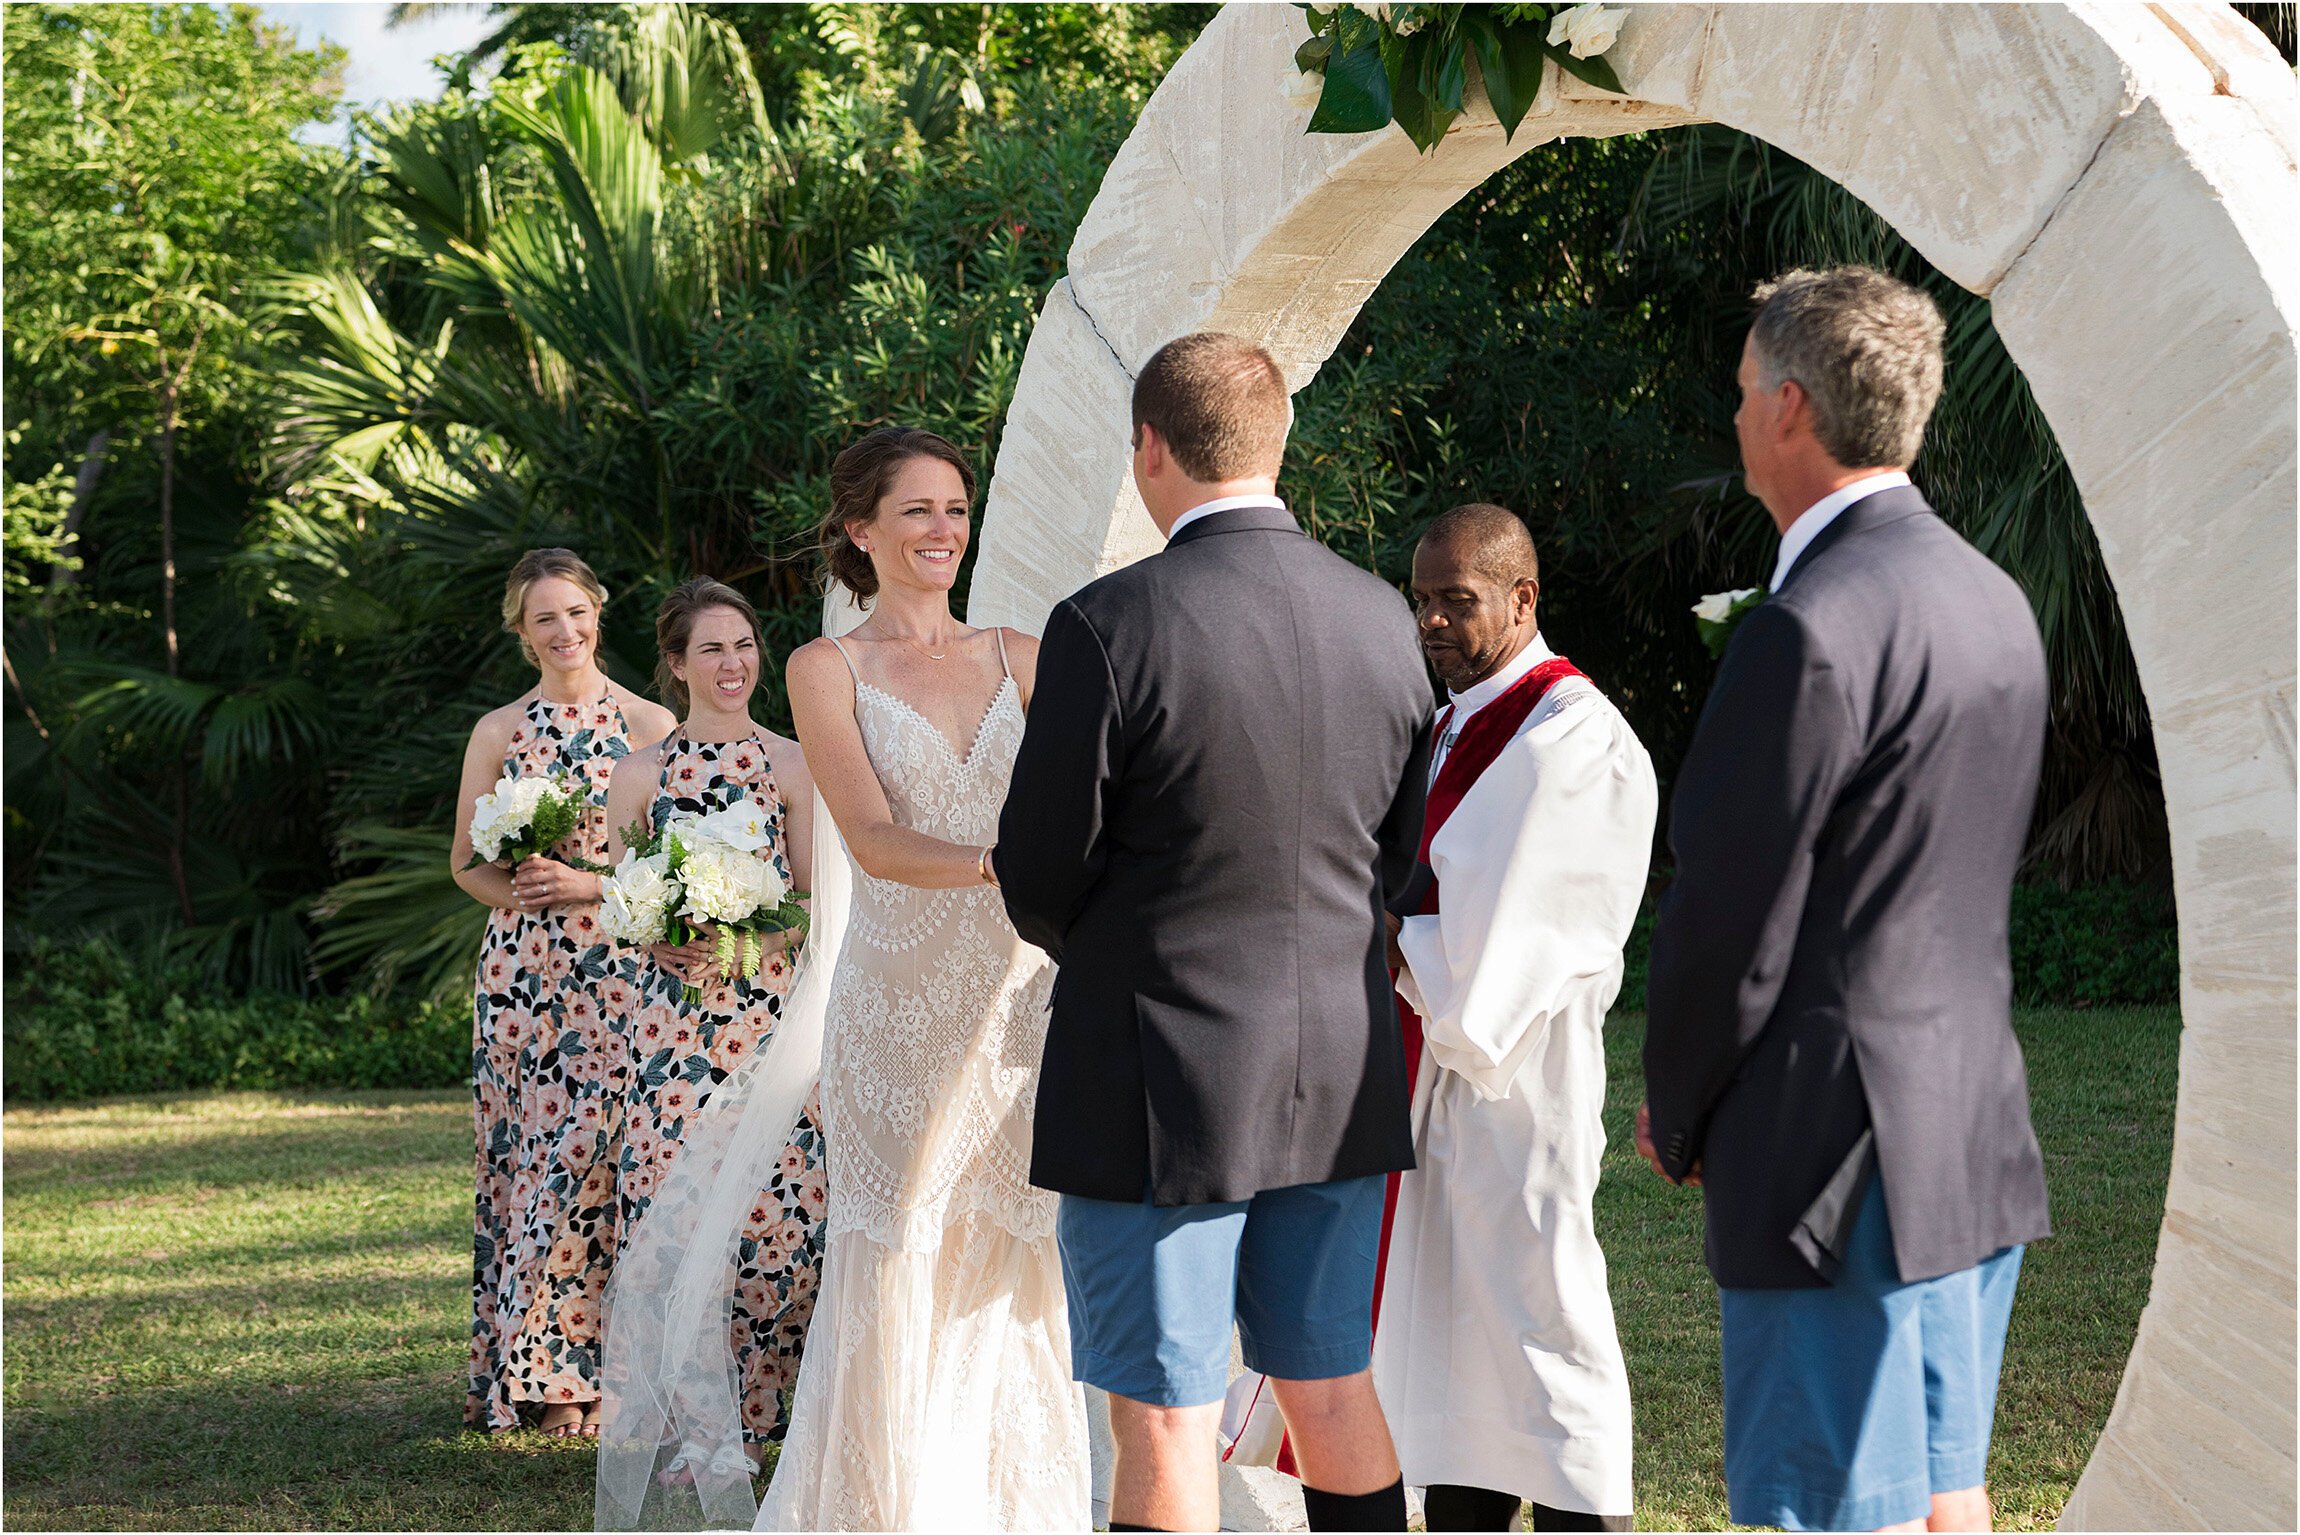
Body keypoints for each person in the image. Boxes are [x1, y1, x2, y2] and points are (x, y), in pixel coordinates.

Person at [602, 426, 1091, 1532]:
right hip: (898, 1009)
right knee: (903, 1247)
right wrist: (1009, 863)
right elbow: (870, 837)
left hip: (1015, 1007)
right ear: (860, 529)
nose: (942, 530)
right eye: (916, 510)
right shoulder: (829, 669)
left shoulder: (1026, 652)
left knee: (1011, 1250)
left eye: (955, 509)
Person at [996, 333, 1434, 1534]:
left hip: (1160, 1078)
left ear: (1149, 447)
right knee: (1329, 1381)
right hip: (1339, 1069)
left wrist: (1120, 946)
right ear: (1276, 440)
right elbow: (1398, 856)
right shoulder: (1382, 615)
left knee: (1163, 1413)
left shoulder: (1105, 623)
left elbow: (1036, 871)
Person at [1638, 266, 2052, 1534]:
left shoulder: (1806, 626)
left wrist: (1680, 1102)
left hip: (1828, 1148)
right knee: (1945, 1494)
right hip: (1969, 1118)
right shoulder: (1992, 599)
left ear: (1791, 408)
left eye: (1744, 390)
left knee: (1826, 1510)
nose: (1735, 415)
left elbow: (1728, 913)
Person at [1372, 504, 1651, 1532]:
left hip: (1516, 1079)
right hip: (1430, 1079)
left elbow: (1519, 933)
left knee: (1544, 1321)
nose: (1433, 622)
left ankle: (1590, 1517)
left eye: (1458, 600)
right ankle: (1461, 1509)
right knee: (1454, 1332)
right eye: (1421, 600)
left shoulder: (1572, 736)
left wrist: (1375, 931)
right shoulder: (1450, 718)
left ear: (1521, 597)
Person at [588, 577, 826, 1463]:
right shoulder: (638, 773)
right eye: (712, 649)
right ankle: (692, 1421)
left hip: (768, 1023)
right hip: (671, 1028)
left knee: (777, 1217)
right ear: (678, 663)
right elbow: (623, 902)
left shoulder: (794, 763)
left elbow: (810, 901)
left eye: (744, 644)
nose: (734, 664)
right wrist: (660, 942)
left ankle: (764, 1414)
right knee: (674, 1218)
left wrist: (751, 943)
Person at [452, 547, 675, 1437]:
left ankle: (618, 1373)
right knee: (535, 1166)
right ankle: (545, 1379)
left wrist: (591, 889)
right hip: (525, 979)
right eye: (544, 617)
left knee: (611, 1161)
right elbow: (466, 863)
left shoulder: (654, 721)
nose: (564, 630)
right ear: (521, 630)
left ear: (599, 612)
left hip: (621, 969)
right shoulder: (498, 730)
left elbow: (677, 861)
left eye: (576, 612)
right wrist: (528, 894)